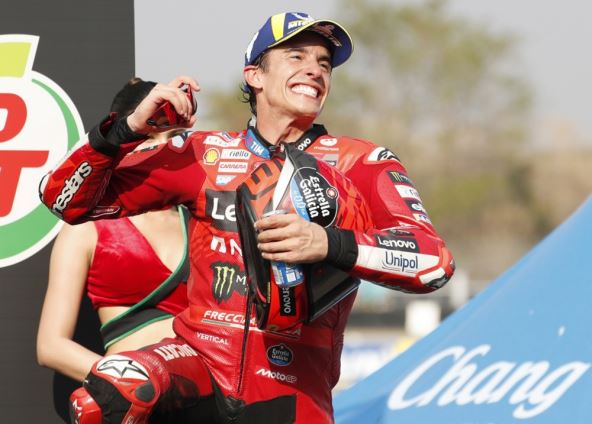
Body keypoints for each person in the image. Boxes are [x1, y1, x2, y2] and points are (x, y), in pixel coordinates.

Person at [39, 12, 455, 424]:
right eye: (296, 56)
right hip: (199, 364)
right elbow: (64, 200)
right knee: (115, 390)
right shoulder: (204, 154)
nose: (315, 70)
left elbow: (433, 263)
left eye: (324, 64)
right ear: (255, 75)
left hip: (293, 385)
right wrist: (126, 130)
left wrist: (328, 243)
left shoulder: (361, 162)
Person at [36, 78, 190, 419]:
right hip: (129, 409)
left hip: (201, 403)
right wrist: (130, 385)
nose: (163, 148)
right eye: (151, 137)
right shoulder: (85, 227)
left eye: (174, 137)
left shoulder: (201, 218)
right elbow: (50, 346)